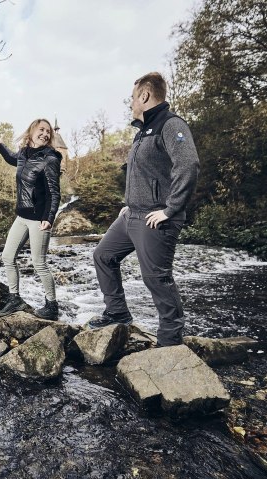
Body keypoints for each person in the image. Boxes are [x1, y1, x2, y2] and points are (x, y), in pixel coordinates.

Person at [90, 72, 200, 347]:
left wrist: (171, 209)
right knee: (103, 256)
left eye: (132, 96)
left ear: (144, 96)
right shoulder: (142, 132)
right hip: (131, 215)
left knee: (156, 278)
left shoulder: (171, 124)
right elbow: (142, 175)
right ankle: (117, 313)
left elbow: (188, 164)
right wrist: (127, 206)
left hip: (156, 218)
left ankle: (170, 342)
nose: (130, 102)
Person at [0, 119, 62, 320]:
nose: (45, 134)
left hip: (39, 219)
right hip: (22, 216)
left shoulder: (50, 158)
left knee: (39, 263)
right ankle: (14, 299)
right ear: (31, 131)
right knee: (7, 257)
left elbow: (54, 192)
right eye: (41, 130)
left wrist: (49, 218)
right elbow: (11, 158)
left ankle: (52, 305)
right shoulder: (24, 154)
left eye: (48, 132)